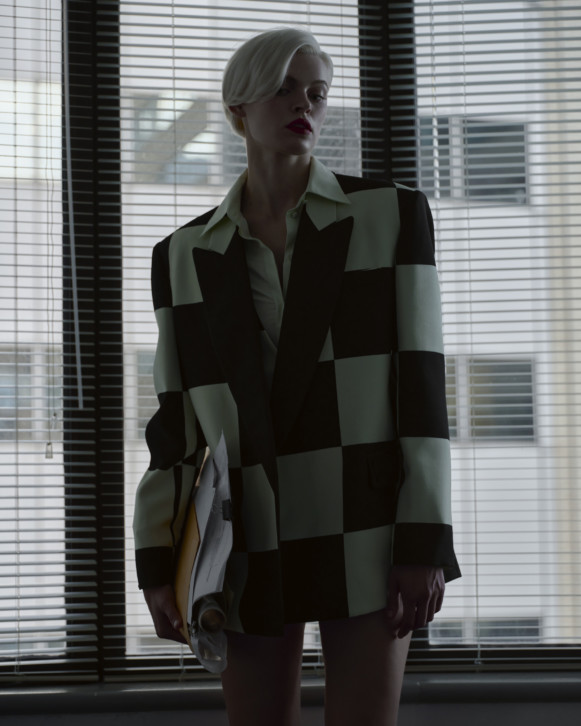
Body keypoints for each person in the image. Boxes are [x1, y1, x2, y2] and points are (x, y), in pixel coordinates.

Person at [133, 26, 460, 726]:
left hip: (366, 525)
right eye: (283, 88)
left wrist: (423, 541)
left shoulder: (390, 214)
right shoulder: (184, 254)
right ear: (237, 108)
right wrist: (157, 560)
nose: (304, 104)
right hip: (244, 532)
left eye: (316, 92)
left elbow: (421, 387)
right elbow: (176, 425)